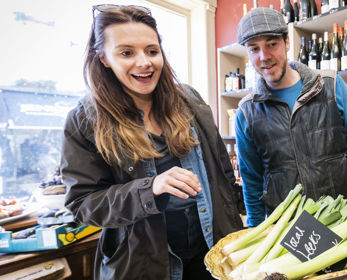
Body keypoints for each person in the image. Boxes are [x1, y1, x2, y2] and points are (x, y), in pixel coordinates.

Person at [60, 5, 242, 280]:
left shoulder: (189, 100)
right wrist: (150, 189)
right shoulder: (85, 120)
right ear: (103, 58)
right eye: (126, 53)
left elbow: (222, 174)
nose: (144, 62)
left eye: (152, 51)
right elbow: (83, 203)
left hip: (211, 259)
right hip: (143, 268)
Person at [235, 8, 347, 227]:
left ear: (286, 42)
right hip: (288, 232)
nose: (264, 56)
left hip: (344, 222)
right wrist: (254, 231)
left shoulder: (330, 85)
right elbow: (252, 182)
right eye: (254, 49)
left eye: (271, 44)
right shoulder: (246, 113)